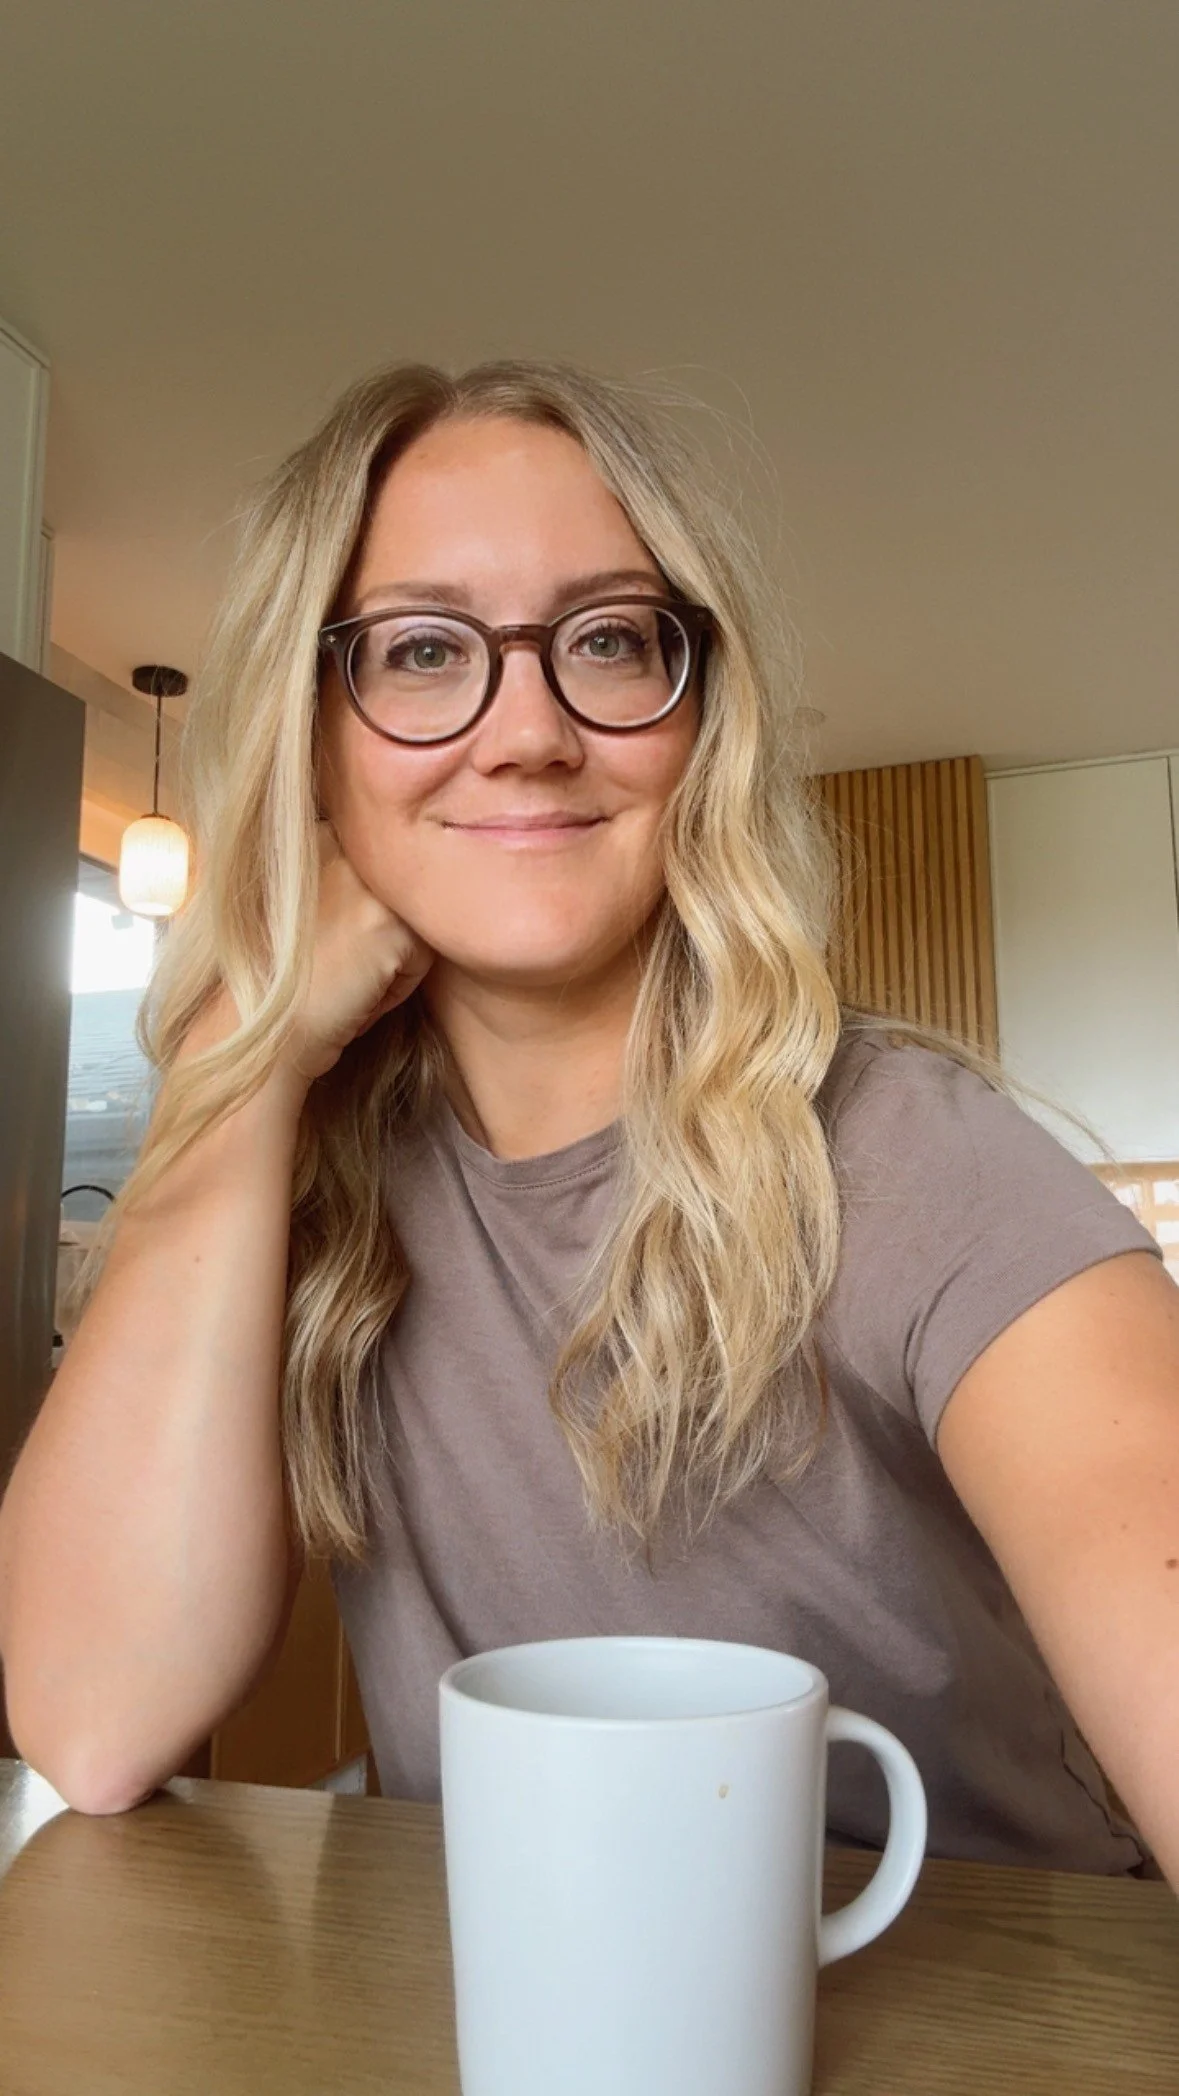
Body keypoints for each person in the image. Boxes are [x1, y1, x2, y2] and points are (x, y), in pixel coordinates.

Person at [1, 360, 1175, 1887]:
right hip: (519, 1991)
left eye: (609, 640)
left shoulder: (905, 1153)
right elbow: (93, 1720)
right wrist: (245, 1050)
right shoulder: (307, 1193)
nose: (528, 732)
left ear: (699, 722)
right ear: (312, 744)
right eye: (423, 651)